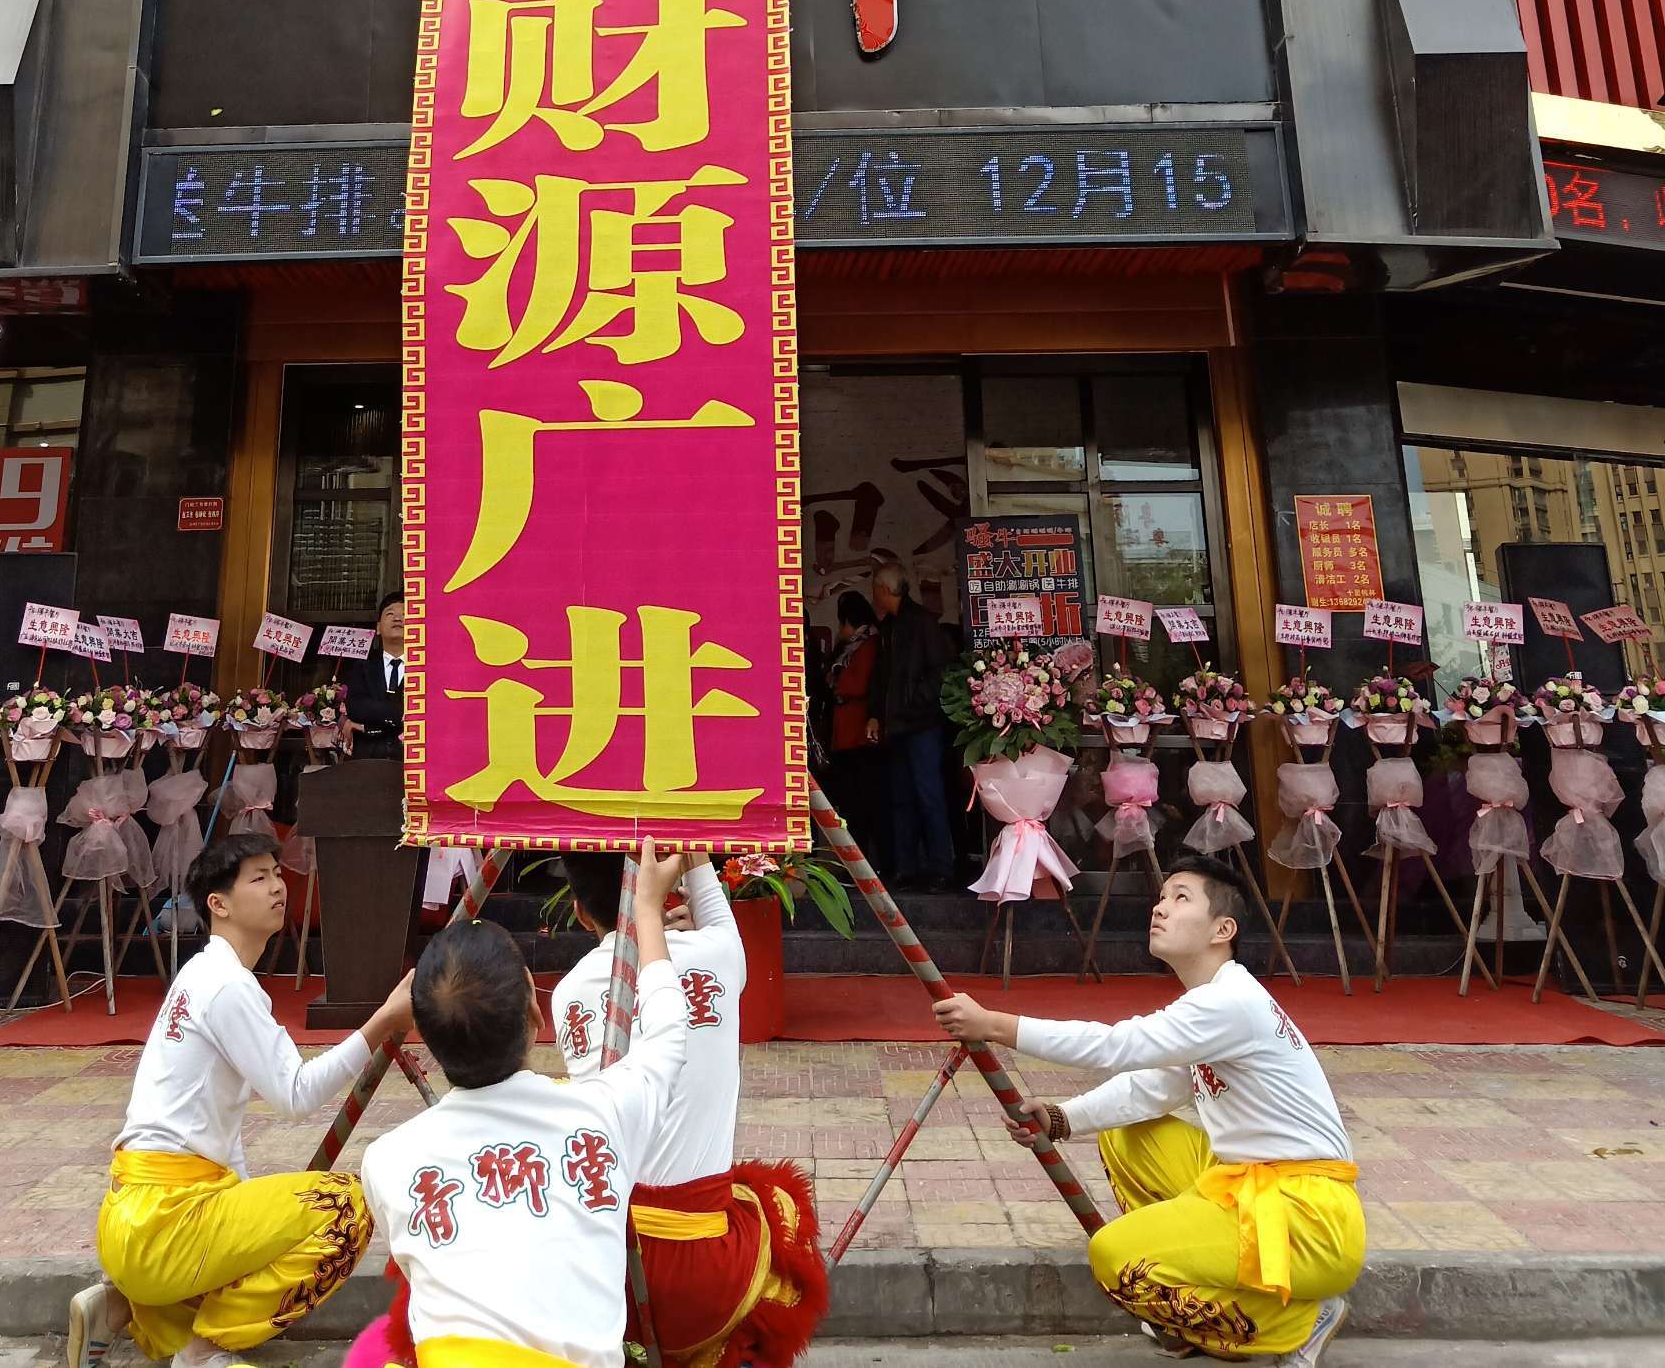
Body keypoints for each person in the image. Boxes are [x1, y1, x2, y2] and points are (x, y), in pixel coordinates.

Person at [933, 855, 1362, 1364]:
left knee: (1116, 1257)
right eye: (1162, 897)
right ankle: (1191, 1313)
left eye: (1181, 898)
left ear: (1222, 929)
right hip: (1259, 1186)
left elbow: (1117, 1045)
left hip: (1308, 1220)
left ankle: (1300, 1320)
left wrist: (995, 1025)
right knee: (1127, 1133)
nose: (1160, 908)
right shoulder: (1219, 1000)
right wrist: (1062, 1118)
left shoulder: (1229, 1002)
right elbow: (1151, 1087)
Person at [66, 834, 413, 1368]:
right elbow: (296, 1094)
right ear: (218, 904)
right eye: (258, 878)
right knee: (349, 1206)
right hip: (166, 1222)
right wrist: (383, 1021)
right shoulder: (226, 985)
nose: (277, 885)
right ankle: (204, 1354)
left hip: (134, 1218)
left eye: (277, 873)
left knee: (240, 1270)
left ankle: (117, 1308)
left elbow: (224, 1147)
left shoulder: (202, 975)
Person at [354, 840, 690, 1368]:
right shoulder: (604, 1113)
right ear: (536, 1012)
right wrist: (647, 911)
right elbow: (669, 1032)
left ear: (422, 1033)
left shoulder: (386, 1160)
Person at [550, 852, 827, 1368]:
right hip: (711, 1272)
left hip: (612, 1267)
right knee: (780, 1203)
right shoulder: (718, 955)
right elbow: (722, 924)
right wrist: (694, 853)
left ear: (580, 912)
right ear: (668, 883)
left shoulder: (566, 994)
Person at [869, 557, 955, 891]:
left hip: (922, 725)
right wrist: (876, 714)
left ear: (884, 589)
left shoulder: (921, 623)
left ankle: (942, 869)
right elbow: (881, 679)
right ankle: (906, 868)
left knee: (928, 794)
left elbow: (941, 674)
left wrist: (909, 703)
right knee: (901, 798)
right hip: (898, 727)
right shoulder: (888, 627)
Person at [822, 591, 883, 869]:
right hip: (846, 728)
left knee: (860, 798)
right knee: (850, 797)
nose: (839, 630)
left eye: (841, 622)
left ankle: (865, 860)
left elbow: (860, 684)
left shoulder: (868, 643)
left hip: (858, 730)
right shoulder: (854, 645)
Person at [345, 592, 408, 758]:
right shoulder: (362, 666)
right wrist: (398, 713)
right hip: (368, 763)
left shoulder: (426, 668)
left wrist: (365, 727)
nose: (397, 618)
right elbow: (356, 708)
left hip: (411, 765)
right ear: (378, 628)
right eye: (390, 613)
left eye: (404, 614)